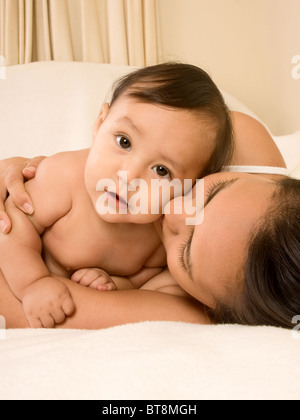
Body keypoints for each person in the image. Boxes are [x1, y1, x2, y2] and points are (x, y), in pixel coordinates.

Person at [1, 106, 296, 330]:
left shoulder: (183, 310)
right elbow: (106, 161)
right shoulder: (242, 143)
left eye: (185, 253)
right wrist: (25, 170)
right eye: (212, 193)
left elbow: (39, 310)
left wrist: (115, 285)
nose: (175, 211)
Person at [0, 63, 235, 328]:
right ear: (100, 124)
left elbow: (141, 282)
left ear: (189, 189)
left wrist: (111, 283)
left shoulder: (158, 239)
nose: (129, 176)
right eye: (124, 142)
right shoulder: (62, 176)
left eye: (161, 170)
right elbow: (10, 229)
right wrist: (33, 283)